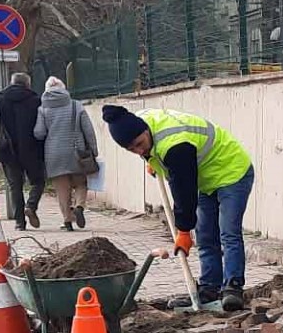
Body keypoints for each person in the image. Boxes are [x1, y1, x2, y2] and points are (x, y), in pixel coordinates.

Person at [102, 104, 253, 310]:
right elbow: (158, 155)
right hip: (206, 179)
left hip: (231, 171)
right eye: (132, 150)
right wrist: (151, 158)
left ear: (145, 130)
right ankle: (209, 288)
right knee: (206, 235)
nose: (139, 150)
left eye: (140, 144)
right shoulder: (140, 122)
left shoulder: (175, 145)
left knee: (228, 231)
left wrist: (183, 230)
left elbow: (184, 192)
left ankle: (233, 287)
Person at [34, 77, 97, 231]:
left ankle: (67, 221)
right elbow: (88, 130)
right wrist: (94, 150)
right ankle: (79, 207)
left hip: (53, 154)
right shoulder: (76, 105)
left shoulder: (42, 109)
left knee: (62, 189)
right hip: (76, 152)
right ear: (64, 88)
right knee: (81, 183)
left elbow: (39, 133)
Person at [0, 73, 46, 230]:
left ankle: (19, 223)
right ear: (27, 85)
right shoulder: (36, 100)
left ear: (12, 83)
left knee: (15, 186)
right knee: (38, 181)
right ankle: (31, 205)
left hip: (7, 150)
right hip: (31, 149)